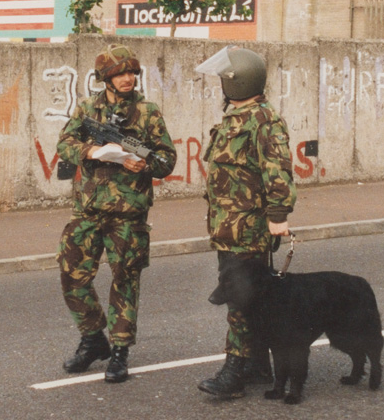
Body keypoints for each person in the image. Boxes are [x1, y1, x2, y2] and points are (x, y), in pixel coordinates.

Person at [56, 43, 177, 383]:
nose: (127, 78)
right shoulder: (88, 108)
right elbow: (64, 142)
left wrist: (144, 163)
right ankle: (94, 338)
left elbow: (167, 160)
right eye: (120, 73)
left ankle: (120, 350)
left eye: (131, 73)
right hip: (89, 208)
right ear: (105, 78)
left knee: (125, 281)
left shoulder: (148, 112)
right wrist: (93, 150)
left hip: (128, 212)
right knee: (71, 274)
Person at [194, 46, 297, 400]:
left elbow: (278, 172)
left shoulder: (264, 121)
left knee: (240, 301)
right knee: (249, 299)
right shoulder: (236, 117)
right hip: (228, 228)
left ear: (237, 83)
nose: (222, 84)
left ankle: (235, 372)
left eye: (225, 79)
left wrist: (278, 218)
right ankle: (257, 365)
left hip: (249, 230)